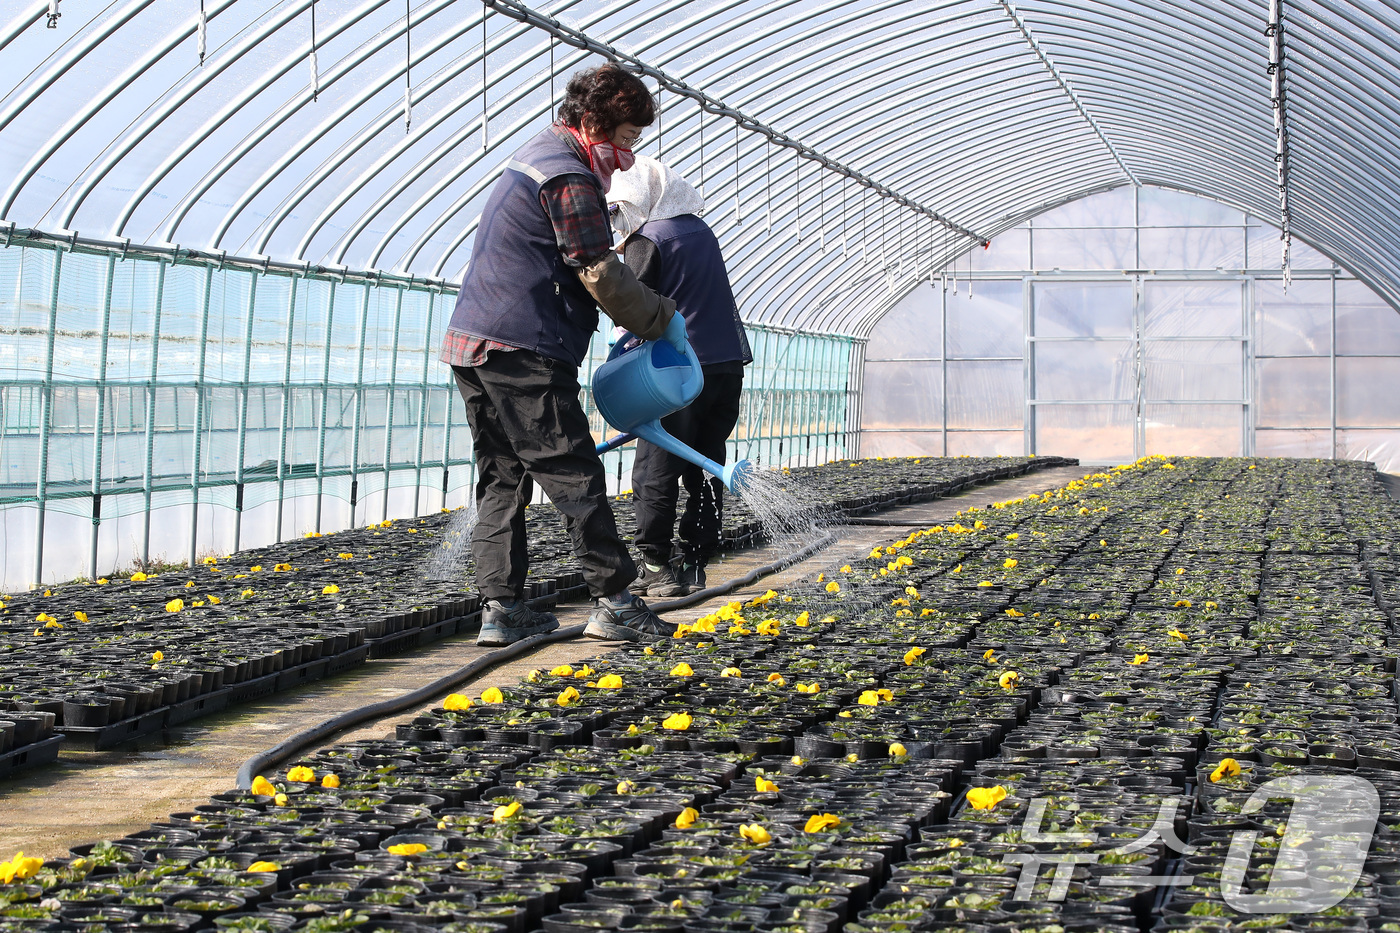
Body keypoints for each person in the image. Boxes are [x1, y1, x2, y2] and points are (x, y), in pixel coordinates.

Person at [441, 65, 690, 646]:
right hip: (523, 347)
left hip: (473, 344)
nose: (627, 159)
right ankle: (617, 602)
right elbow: (598, 272)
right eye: (625, 142)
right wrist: (662, 318)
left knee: (502, 475)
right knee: (572, 469)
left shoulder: (535, 155)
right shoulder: (567, 174)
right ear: (592, 123)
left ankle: (502, 610)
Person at [607, 156, 752, 597]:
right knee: (707, 462)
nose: (618, 219)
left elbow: (628, 304)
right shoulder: (699, 231)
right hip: (724, 365)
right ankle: (695, 560)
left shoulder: (649, 238)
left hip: (677, 373)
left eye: (619, 208)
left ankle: (654, 564)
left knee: (657, 464)